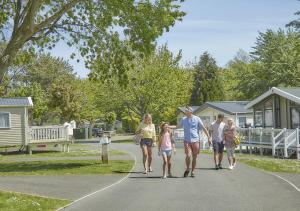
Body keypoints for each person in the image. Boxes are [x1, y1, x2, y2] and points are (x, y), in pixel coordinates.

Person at [178, 106, 210, 177]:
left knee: (194, 157)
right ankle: (187, 169)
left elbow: (204, 128)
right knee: (188, 155)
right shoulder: (183, 119)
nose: (186, 111)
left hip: (195, 140)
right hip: (187, 140)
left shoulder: (197, 118)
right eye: (185, 110)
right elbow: (178, 126)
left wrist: (209, 137)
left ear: (191, 111)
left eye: (187, 110)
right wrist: (167, 127)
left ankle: (193, 170)